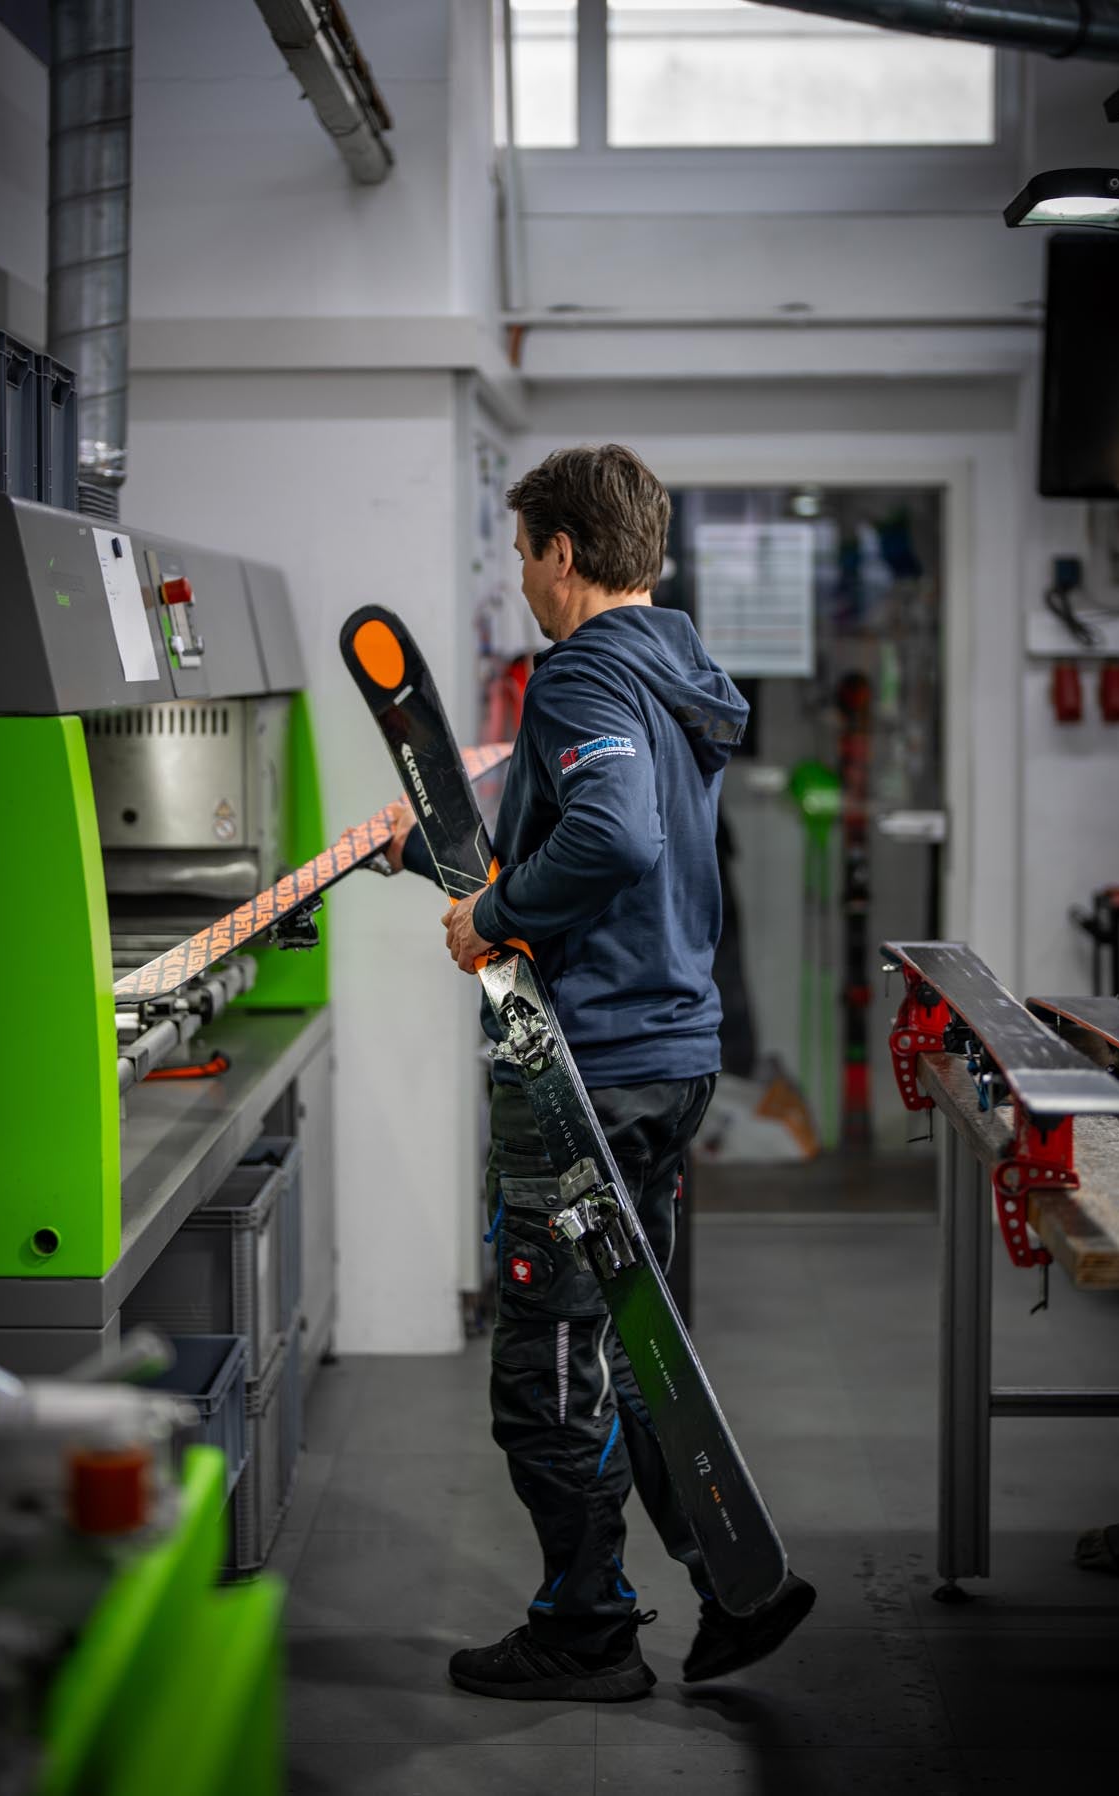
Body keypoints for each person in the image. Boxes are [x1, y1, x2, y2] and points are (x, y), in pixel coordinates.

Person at [385, 444, 815, 1701]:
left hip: (592, 1069)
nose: (520, 577)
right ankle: (734, 1583)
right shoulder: (669, 672)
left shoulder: (578, 673)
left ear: (563, 552)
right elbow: (596, 820)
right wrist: (432, 851)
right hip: (669, 1055)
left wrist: (496, 912)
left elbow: (612, 835)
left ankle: (585, 1629)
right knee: (636, 1339)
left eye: (523, 553)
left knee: (551, 1361)